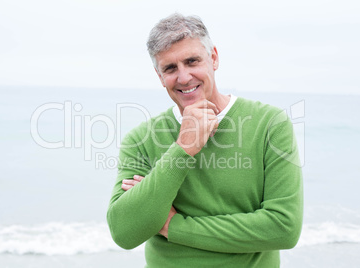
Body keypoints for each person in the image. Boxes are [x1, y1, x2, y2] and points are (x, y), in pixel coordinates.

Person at [107, 13, 303, 267]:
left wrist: (174, 226)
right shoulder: (141, 139)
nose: (184, 77)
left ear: (213, 58)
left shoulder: (270, 124)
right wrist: (183, 148)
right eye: (170, 68)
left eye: (192, 61)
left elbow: (284, 228)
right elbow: (124, 232)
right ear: (159, 77)